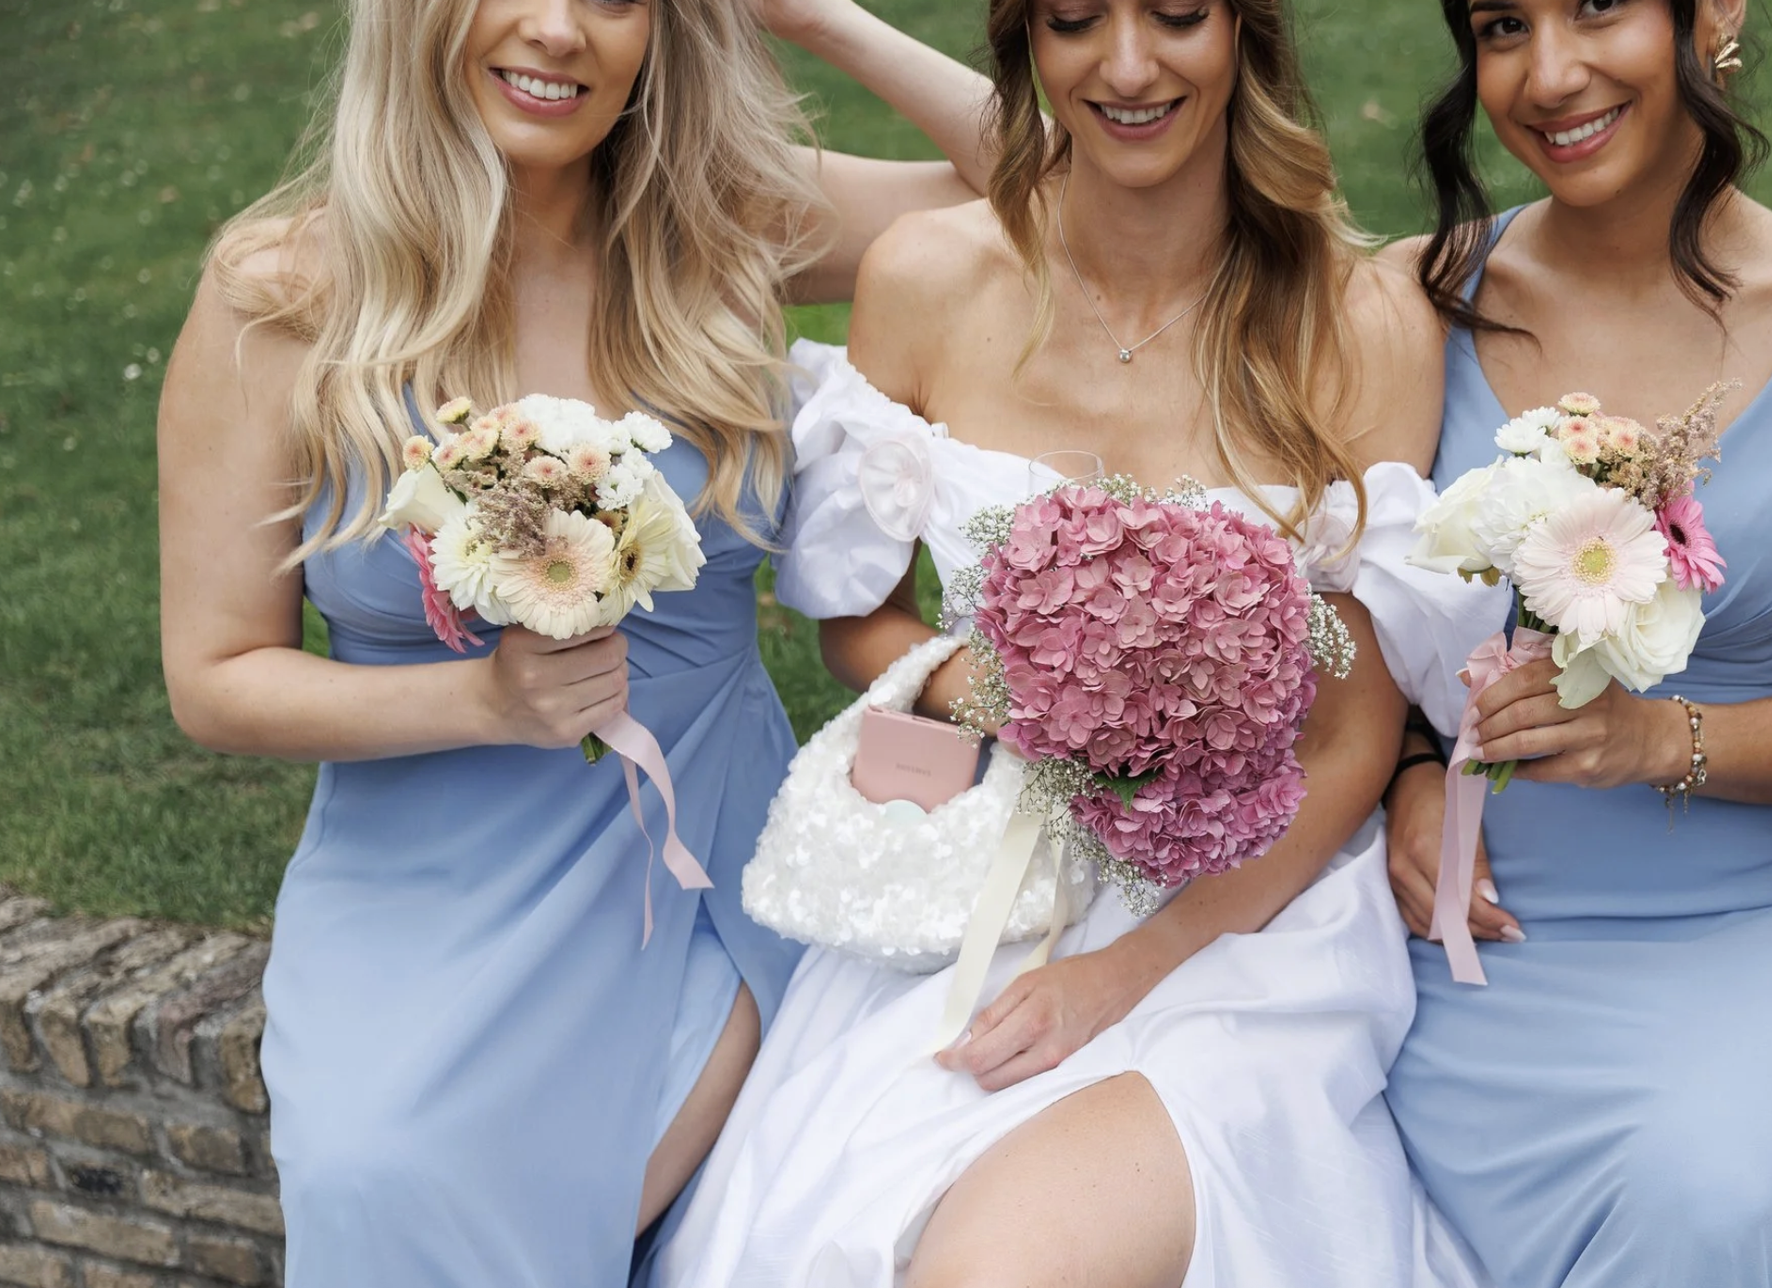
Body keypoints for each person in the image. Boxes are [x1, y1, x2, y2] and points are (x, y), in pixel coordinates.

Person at [649, 1, 1501, 1284]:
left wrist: (1124, 977)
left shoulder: (1360, 324)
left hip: (1244, 911)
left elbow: (1351, 739)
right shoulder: (929, 279)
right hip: (972, 870)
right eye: (1074, 20)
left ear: (1244, 37)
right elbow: (849, 615)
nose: (1126, 64)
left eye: (1175, 15)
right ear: (1024, 48)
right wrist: (977, 677)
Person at [155, 0, 998, 1278]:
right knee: (391, 1175)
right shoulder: (283, 294)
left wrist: (814, 14)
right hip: (426, 879)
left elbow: (1051, 182)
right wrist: (483, 702)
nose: (557, 30)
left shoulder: (728, 225)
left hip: (719, 862)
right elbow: (214, 679)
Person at [1375, 1, 1772, 1284]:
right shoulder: (1409, 301)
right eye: (1503, 24)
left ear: (1715, 15)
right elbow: (1344, 631)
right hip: (1452, 920)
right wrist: (1412, 763)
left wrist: (1655, 737)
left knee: (1710, 1192)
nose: (1548, 73)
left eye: (1595, 9)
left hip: (1742, 924)